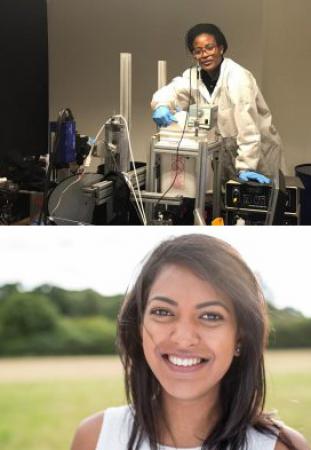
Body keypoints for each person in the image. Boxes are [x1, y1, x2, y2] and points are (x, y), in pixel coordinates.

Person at [71, 233, 309, 450]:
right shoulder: (94, 438)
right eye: (163, 312)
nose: (184, 338)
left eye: (210, 316)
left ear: (241, 336)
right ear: (139, 326)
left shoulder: (281, 447)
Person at [151, 24, 286, 184]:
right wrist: (161, 104)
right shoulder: (193, 76)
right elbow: (173, 90)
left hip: (258, 153)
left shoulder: (237, 77)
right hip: (225, 151)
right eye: (198, 51)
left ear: (221, 48)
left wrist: (247, 166)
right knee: (226, 201)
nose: (204, 55)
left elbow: (248, 128)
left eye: (209, 48)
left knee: (259, 201)